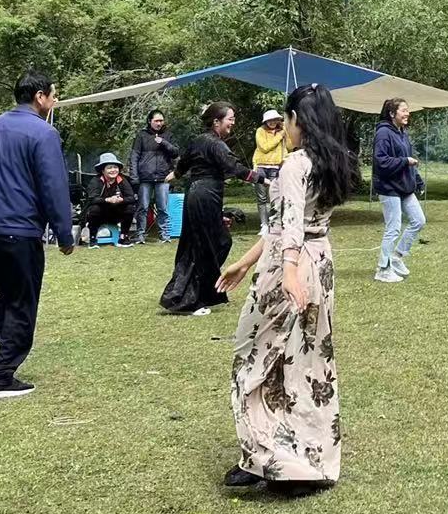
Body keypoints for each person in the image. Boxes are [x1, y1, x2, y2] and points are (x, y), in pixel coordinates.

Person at [218, 83, 356, 491]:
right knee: (307, 361)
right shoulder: (335, 161)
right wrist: (245, 262)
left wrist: (289, 270)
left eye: (289, 119)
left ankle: (271, 456)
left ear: (297, 119)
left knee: (255, 354)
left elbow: (290, 227)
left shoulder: (296, 164)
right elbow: (285, 225)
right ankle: (296, 459)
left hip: (289, 267)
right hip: (320, 261)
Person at [0, 72, 73, 401]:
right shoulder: (44, 132)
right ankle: (0, 377)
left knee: (8, 294)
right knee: (23, 303)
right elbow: (53, 185)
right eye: (53, 95)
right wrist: (64, 233)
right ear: (39, 96)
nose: (55, 101)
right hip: (18, 229)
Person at [162, 102, 259, 316]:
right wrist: (262, 179)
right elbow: (234, 167)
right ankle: (189, 300)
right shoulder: (216, 144)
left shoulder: (199, 140)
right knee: (204, 246)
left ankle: (199, 293)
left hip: (200, 195)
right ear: (216, 121)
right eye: (230, 119)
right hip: (204, 195)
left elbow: (183, 163)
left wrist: (175, 175)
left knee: (217, 242)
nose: (233, 123)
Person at [372, 98, 427, 284]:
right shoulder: (383, 133)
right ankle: (383, 269)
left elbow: (407, 159)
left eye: (407, 110)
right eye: (403, 110)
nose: (407, 113)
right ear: (392, 113)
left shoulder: (402, 132)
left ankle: (397, 257)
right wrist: (405, 162)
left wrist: (417, 180)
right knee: (393, 228)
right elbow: (380, 161)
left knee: (419, 220)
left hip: (404, 187)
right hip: (389, 188)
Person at [130, 110, 180, 243]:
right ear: (149, 121)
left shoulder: (168, 135)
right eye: (156, 121)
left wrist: (163, 142)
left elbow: (176, 153)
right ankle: (140, 235)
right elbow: (134, 157)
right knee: (143, 207)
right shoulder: (141, 135)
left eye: (161, 121)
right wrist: (134, 177)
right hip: (145, 177)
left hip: (163, 177)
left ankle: (164, 235)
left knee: (163, 208)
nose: (159, 123)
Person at [79, 153, 135, 245]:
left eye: (115, 167)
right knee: (94, 208)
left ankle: (124, 237)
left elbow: (131, 198)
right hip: (100, 214)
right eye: (109, 168)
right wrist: (107, 200)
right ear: (103, 170)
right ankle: (93, 239)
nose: (113, 170)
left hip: (116, 214)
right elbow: (92, 199)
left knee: (130, 207)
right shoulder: (96, 181)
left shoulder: (122, 179)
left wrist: (121, 200)